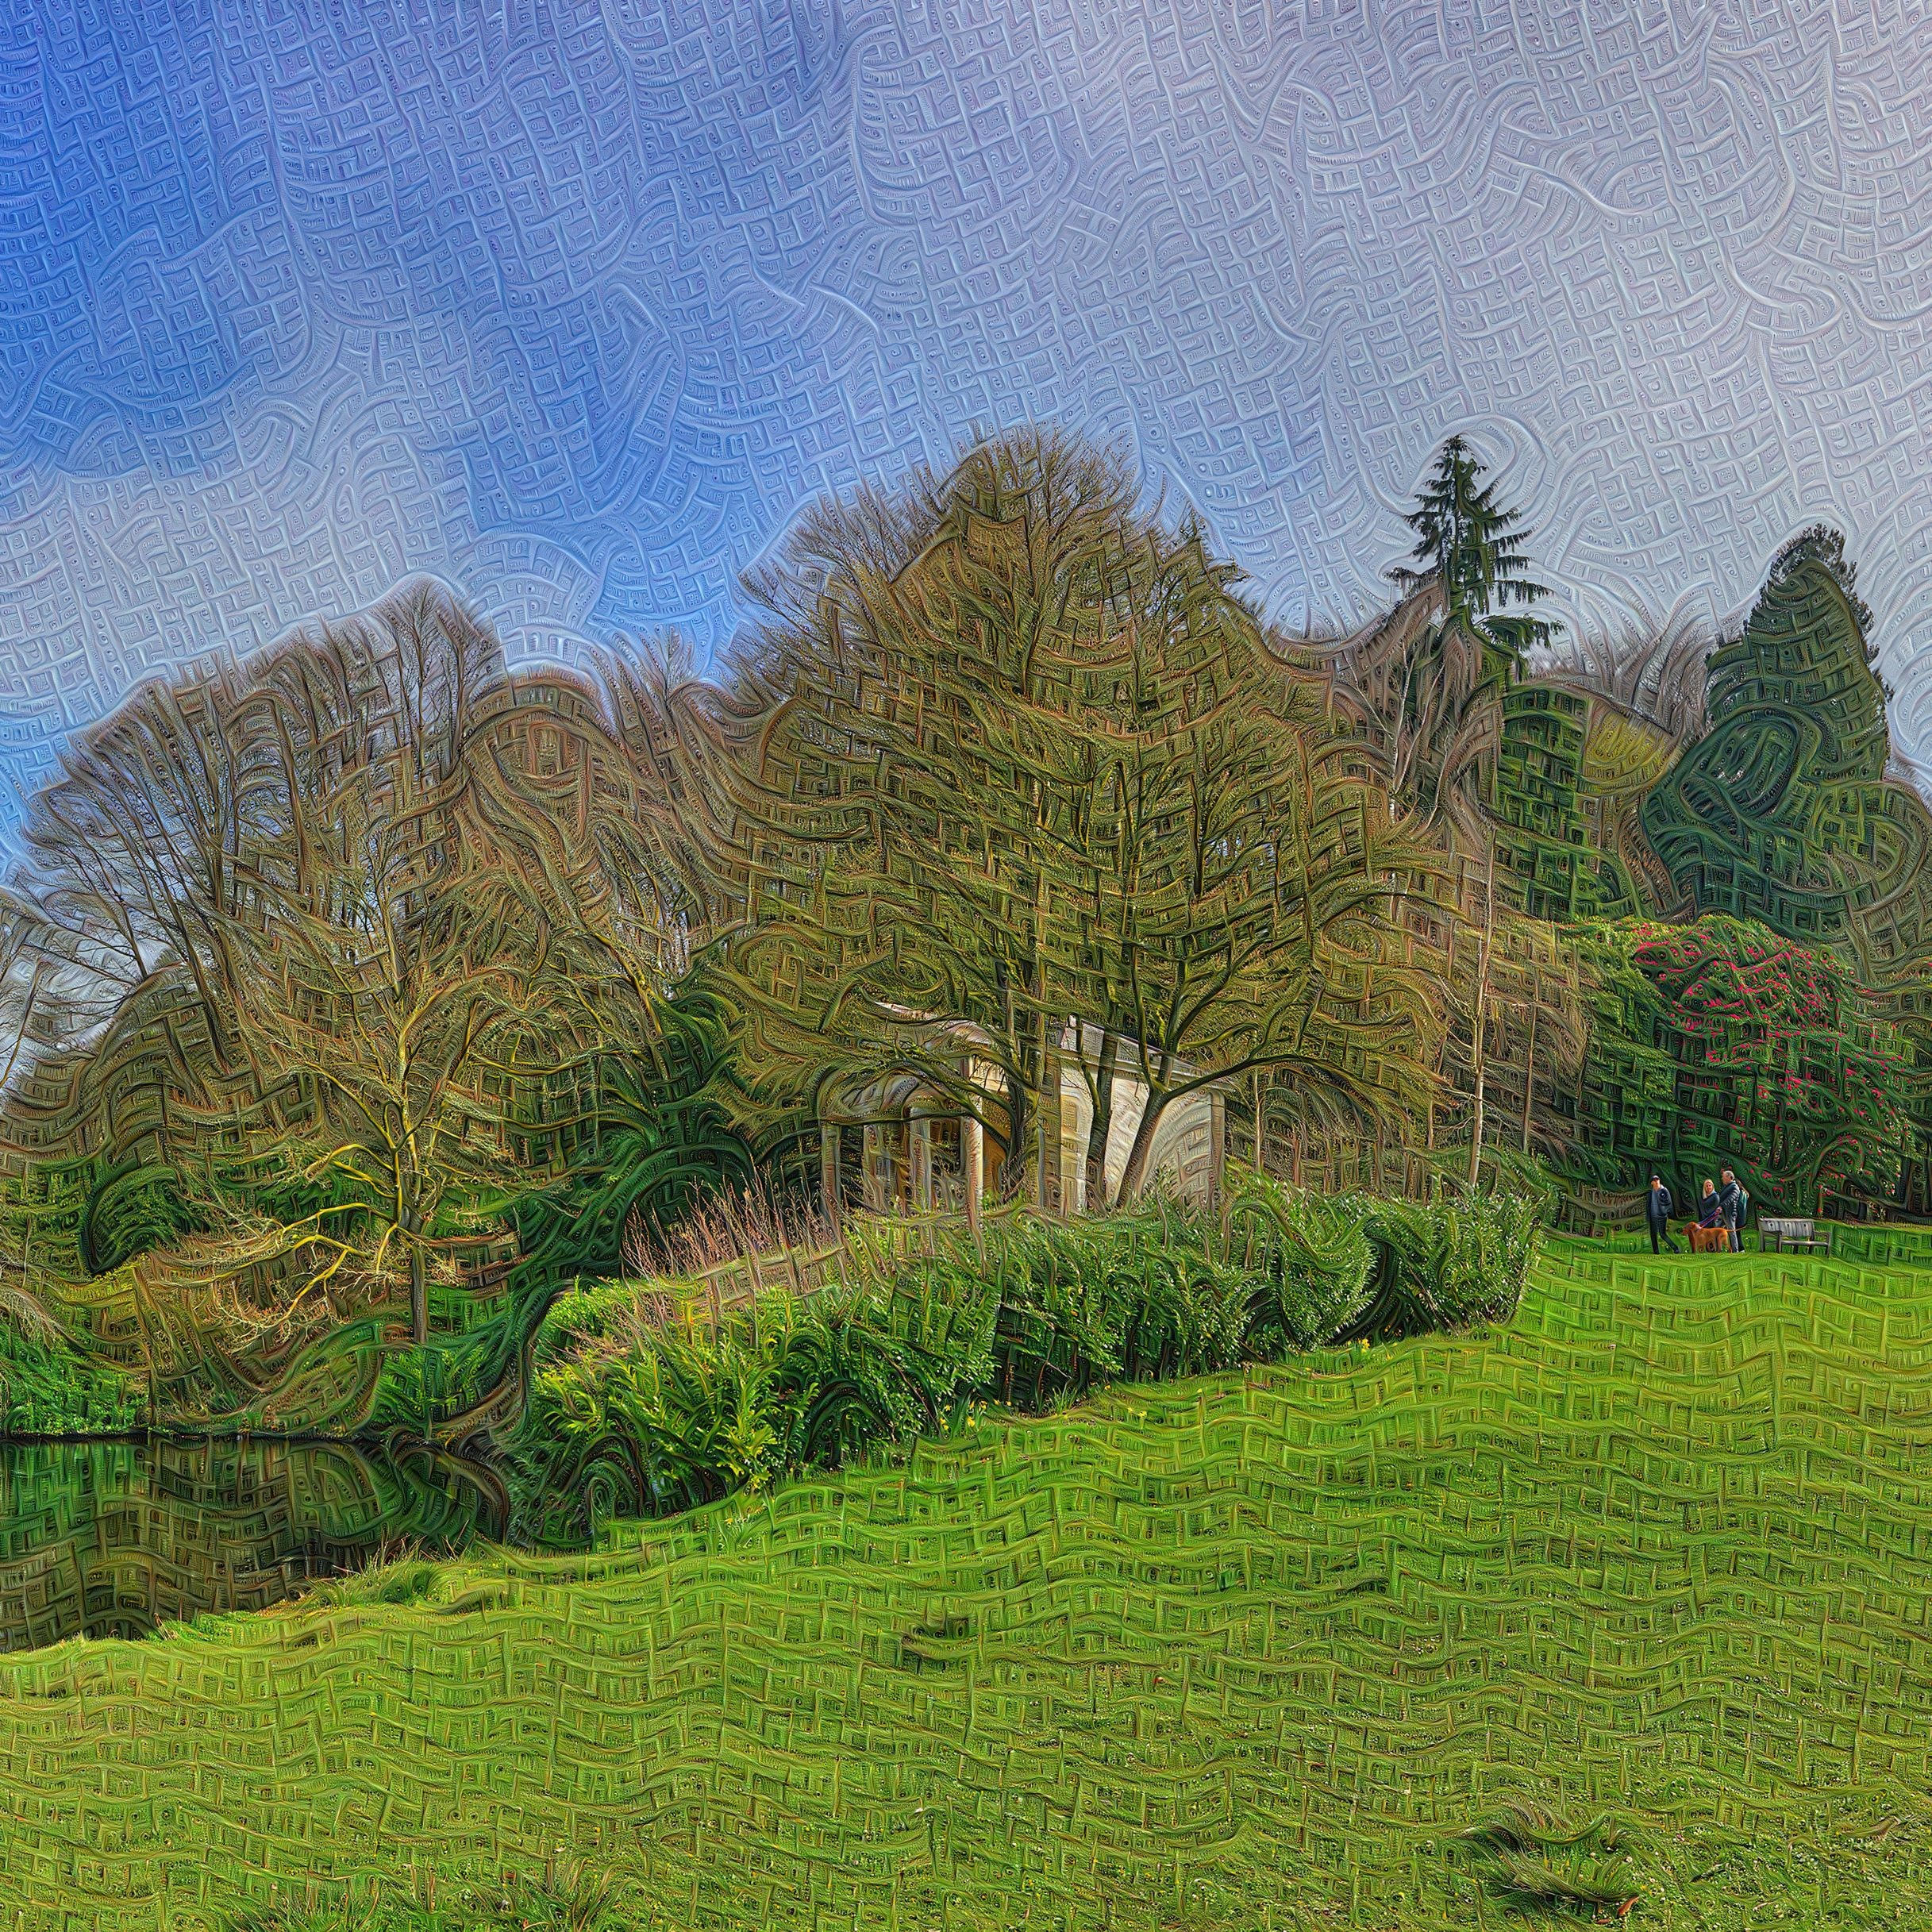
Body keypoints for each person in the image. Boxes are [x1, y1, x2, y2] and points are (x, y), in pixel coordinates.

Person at [1645, 1173, 1678, 1253]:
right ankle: (1656, 1252)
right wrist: (1648, 1216)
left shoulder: (1664, 1191)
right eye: (1654, 1180)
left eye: (1657, 1180)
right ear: (1652, 1183)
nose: (1656, 1182)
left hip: (1662, 1216)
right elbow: (1648, 1205)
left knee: (1663, 1234)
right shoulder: (1650, 1193)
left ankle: (1675, 1248)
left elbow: (1669, 1202)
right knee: (1653, 1235)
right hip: (1653, 1216)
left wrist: (1668, 1213)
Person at [1718, 1168, 1744, 1253]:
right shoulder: (1727, 1187)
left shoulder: (1735, 1188)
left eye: (1724, 1177)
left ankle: (1735, 1250)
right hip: (1723, 1212)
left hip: (1730, 1213)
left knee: (1732, 1231)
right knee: (1716, 1229)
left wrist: (1721, 1206)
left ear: (1730, 1178)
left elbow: (1730, 1199)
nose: (1723, 1179)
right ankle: (1717, 1248)